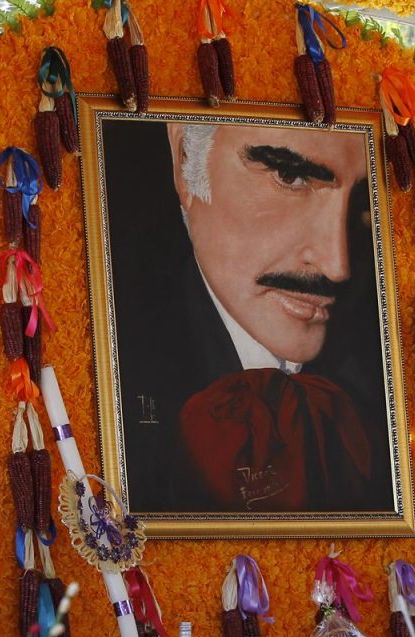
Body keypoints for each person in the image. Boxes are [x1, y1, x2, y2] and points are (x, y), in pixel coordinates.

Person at [103, 119, 395, 516]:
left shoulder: (387, 376)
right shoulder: (113, 362)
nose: (336, 264)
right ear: (185, 160)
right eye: (290, 175)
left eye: (365, 203)